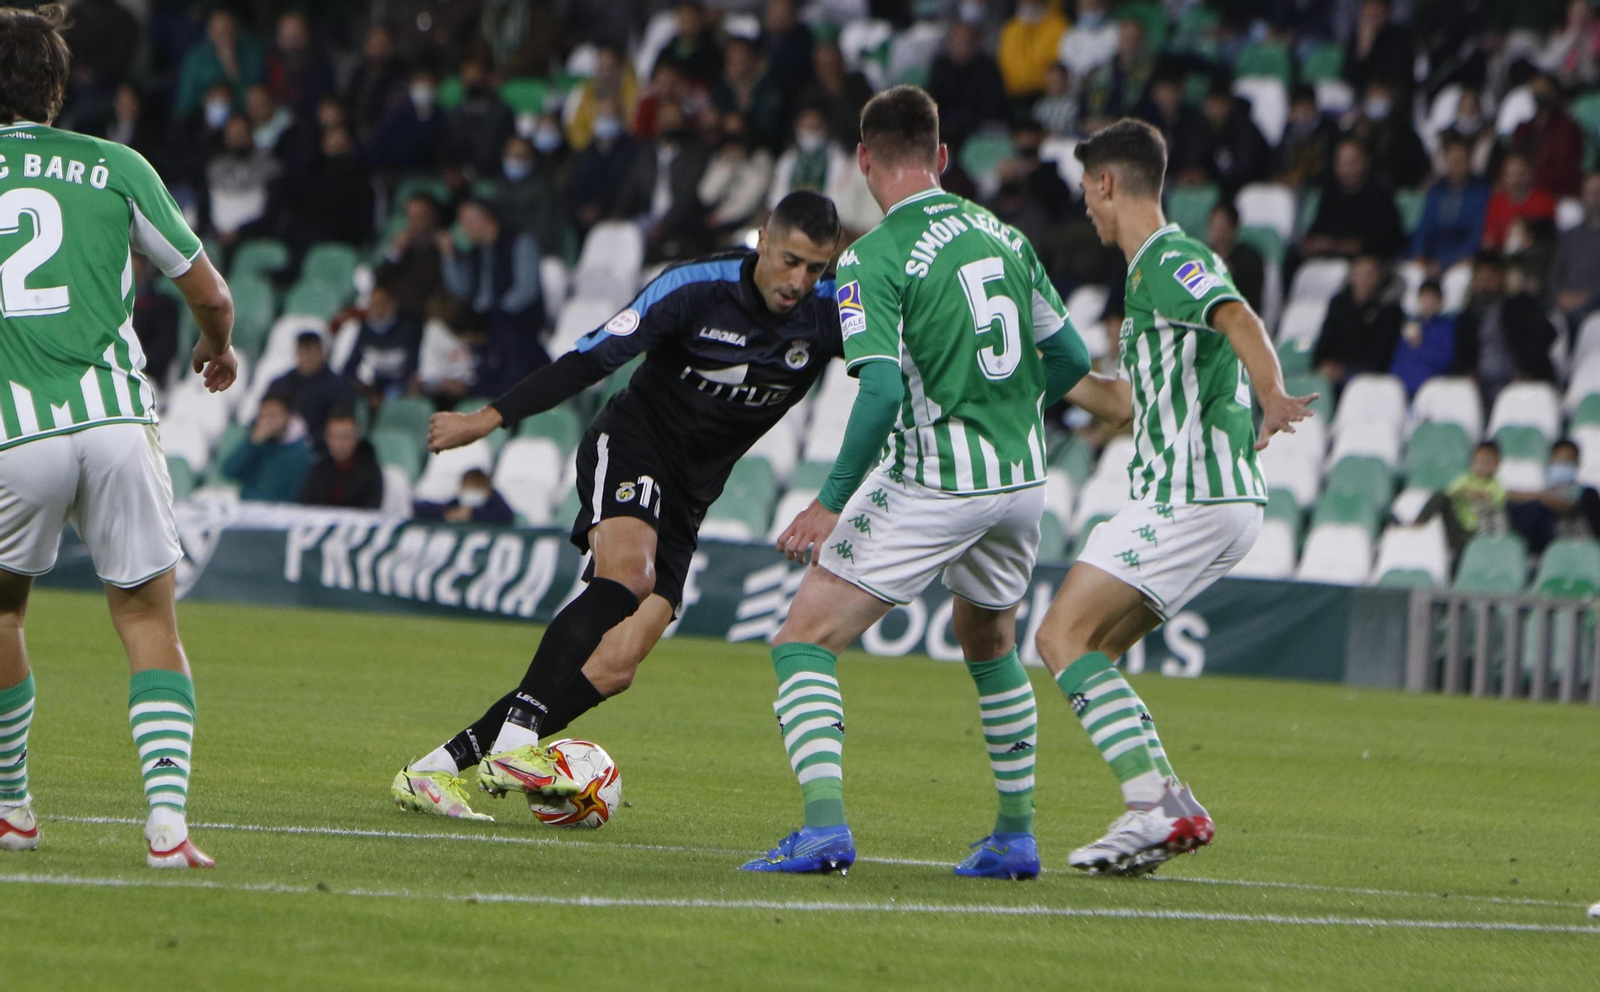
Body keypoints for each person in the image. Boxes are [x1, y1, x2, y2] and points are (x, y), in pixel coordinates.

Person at [740, 86, 1103, 881]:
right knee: (992, 646)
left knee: (802, 640)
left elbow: (875, 393)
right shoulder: (1004, 235)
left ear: (863, 160)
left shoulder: (872, 256)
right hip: (1019, 480)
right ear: (942, 158)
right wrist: (1006, 412)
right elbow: (1073, 359)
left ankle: (824, 829)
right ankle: (1014, 835)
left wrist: (829, 501)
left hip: (937, 475)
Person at [389, 193, 849, 821]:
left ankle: (436, 769)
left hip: (692, 493)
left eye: (816, 268)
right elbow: (592, 356)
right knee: (628, 576)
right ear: (763, 239)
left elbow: (892, 375)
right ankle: (520, 740)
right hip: (633, 445)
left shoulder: (831, 313)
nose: (800, 281)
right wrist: (489, 418)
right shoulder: (694, 288)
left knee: (616, 665)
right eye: (791, 260)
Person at [1033, 118, 1314, 877]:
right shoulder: (1148, 274)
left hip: (1189, 496)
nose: (1086, 209)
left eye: (1086, 192)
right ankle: (1163, 808)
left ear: (1106, 183)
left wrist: (1272, 393)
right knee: (1096, 650)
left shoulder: (1170, 257)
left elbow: (1236, 313)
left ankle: (1153, 804)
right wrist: (1045, 374)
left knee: (1060, 637)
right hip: (1214, 503)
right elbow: (1127, 407)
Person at [0, 6, 238, 868]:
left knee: (1, 610)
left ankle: (11, 807)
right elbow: (209, 295)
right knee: (146, 619)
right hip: (115, 422)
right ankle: (168, 823)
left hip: (12, 434)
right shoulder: (113, 165)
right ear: (56, 88)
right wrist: (216, 350)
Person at [437, 200, 546, 397]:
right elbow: (460, 289)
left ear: (484, 217)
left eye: (466, 221)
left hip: (518, 325)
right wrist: (449, 255)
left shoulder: (520, 241)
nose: (463, 228)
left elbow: (526, 291)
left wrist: (493, 317)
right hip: (484, 325)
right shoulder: (476, 250)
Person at [1451, 250, 1557, 404]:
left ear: (1501, 277)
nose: (1484, 285)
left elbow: (1547, 334)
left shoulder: (1520, 305)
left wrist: (1525, 370)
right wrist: (1468, 374)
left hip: (1521, 383)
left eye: (1489, 279)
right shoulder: (1467, 316)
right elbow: (1462, 356)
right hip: (1481, 389)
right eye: (1480, 279)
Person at [1312, 254, 1405, 390]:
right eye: (1358, 274)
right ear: (1351, 276)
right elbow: (1326, 338)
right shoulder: (1338, 303)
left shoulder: (1389, 309)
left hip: (1367, 374)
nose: (1363, 280)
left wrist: (1344, 369)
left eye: (1369, 275)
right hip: (1333, 370)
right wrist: (1324, 362)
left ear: (1379, 278)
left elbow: (1382, 352)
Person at [1302, 138, 1406, 258]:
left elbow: (1381, 243)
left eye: (1353, 162)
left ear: (1366, 162)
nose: (1347, 168)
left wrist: (1334, 245)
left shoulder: (1379, 198)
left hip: (1363, 266)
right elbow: (1315, 233)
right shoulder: (1330, 195)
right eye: (1341, 162)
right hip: (1325, 261)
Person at [1411, 132, 1490, 278]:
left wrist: (1445, 262)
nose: (1456, 166)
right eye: (1452, 161)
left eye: (1460, 161)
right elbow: (1424, 227)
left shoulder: (1481, 192)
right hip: (1431, 258)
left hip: (1462, 260)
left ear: (1469, 162)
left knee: (1461, 277)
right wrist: (1421, 256)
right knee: (1413, 274)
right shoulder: (1436, 191)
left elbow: (1476, 232)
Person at [927, 21, 1011, 151]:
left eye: (965, 42)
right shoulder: (940, 67)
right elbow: (930, 101)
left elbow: (993, 106)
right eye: (956, 42)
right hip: (945, 128)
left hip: (978, 129)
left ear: (976, 43)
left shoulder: (988, 68)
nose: (960, 46)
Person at [1507, 439, 1600, 553]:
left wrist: (1541, 497)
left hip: (1581, 549)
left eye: (1567, 462)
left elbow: (1569, 505)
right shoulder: (1542, 494)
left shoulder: (1588, 492)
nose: (1562, 465)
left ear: (1577, 463)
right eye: (1559, 461)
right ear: (1550, 460)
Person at [1416, 441, 1508, 553]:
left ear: (1496, 464)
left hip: (1478, 532)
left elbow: (1495, 500)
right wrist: (1467, 493)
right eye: (1479, 461)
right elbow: (1451, 492)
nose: (1482, 466)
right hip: (1458, 528)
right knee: (1440, 496)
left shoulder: (1497, 485)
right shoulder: (1465, 478)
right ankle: (1418, 523)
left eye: (1487, 462)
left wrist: (1472, 493)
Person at [222, 393, 312, 502]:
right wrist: (252, 444)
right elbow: (228, 472)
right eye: (262, 415)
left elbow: (294, 496)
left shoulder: (300, 453)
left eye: (273, 415)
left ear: (288, 416)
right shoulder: (255, 445)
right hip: (247, 509)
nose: (267, 421)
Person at [343, 283, 424, 403]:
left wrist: (386, 395)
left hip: (400, 388)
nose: (375, 309)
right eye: (372, 304)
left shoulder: (408, 330)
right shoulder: (364, 330)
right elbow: (349, 369)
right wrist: (366, 390)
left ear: (392, 304)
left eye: (380, 303)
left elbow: (413, 368)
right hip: (373, 388)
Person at [1509, 72, 1584, 199]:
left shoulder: (1567, 128)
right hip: (1523, 190)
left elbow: (1566, 167)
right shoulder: (1524, 128)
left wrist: (1535, 181)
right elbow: (1515, 157)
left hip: (1557, 193)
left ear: (1554, 93)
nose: (1539, 94)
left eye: (1543, 90)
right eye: (1535, 90)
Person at [267, 332, 355, 441]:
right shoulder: (281, 384)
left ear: (321, 353)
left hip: (318, 446)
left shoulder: (338, 386)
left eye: (312, 352)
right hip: (279, 443)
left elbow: (340, 422)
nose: (307, 358)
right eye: (303, 352)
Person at [299, 409, 383, 510]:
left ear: (356, 438)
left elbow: (371, 509)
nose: (339, 444)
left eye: (345, 437)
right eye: (334, 437)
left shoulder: (371, 470)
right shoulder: (318, 468)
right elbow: (305, 506)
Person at [1548, 171, 1600, 327]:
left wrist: (1586, 298)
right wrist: (1559, 296)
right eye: (1591, 193)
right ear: (1583, 196)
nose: (1596, 199)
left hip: (1594, 307)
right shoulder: (1569, 236)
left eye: (1599, 193)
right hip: (1562, 303)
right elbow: (1555, 272)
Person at [1390, 281, 1456, 395]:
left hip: (1429, 389)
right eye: (1424, 298)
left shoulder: (1447, 328)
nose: (1428, 303)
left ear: (1440, 301)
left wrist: (1420, 345)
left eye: (1432, 299)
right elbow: (1398, 360)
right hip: (1402, 388)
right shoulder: (1411, 325)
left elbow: (1445, 360)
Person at [1482, 151, 1556, 251]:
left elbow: (1548, 239)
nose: (1516, 179)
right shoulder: (1496, 202)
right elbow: (1489, 241)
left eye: (1521, 174)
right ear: (1503, 176)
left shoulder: (1544, 201)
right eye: (1511, 174)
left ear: (1530, 174)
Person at [998, 0, 1068, 101]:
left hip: (1045, 97)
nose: (1028, 2)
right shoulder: (1010, 30)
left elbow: (1055, 66)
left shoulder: (1059, 27)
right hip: (1011, 97)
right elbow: (1004, 66)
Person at [1207, 202, 1264, 313]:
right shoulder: (1203, 256)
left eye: (1222, 226)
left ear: (1233, 228)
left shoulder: (1249, 259)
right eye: (1213, 226)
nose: (1217, 232)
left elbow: (1251, 298)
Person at [412, 468, 513, 525]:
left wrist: (472, 514)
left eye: (476, 488)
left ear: (487, 491)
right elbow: (422, 508)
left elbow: (506, 515)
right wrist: (447, 514)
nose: (470, 492)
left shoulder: (496, 505)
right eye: (466, 487)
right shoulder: (458, 503)